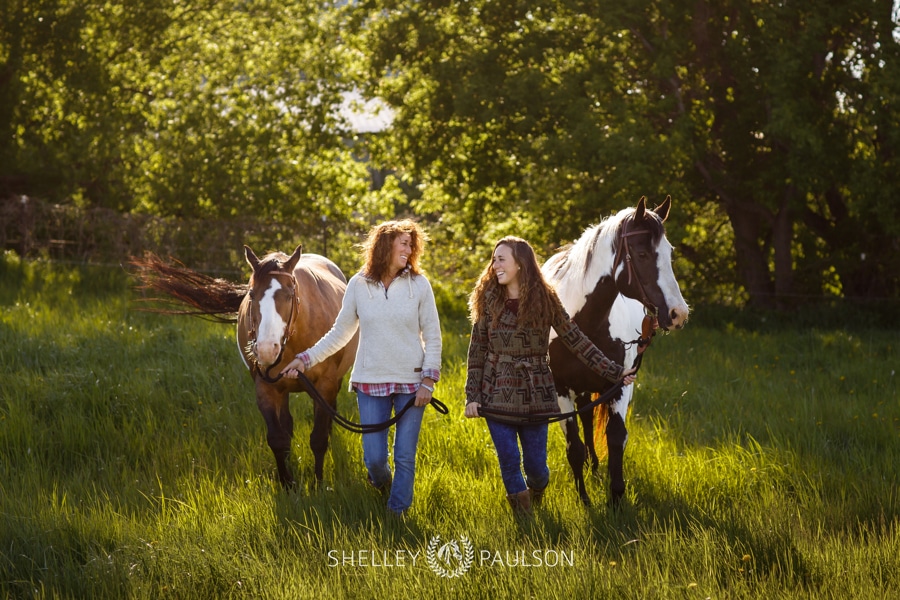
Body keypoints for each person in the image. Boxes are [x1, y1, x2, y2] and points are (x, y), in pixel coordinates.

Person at [464, 236, 636, 515]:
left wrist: (615, 371)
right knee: (508, 459)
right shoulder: (488, 299)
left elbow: (576, 340)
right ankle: (524, 519)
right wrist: (472, 396)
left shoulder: (546, 300)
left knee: (537, 470)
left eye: (501, 259)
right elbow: (477, 351)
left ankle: (537, 489)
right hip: (496, 390)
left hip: (537, 394)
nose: (494, 265)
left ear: (520, 264)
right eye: (493, 259)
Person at [280, 219, 442, 517]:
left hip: (412, 382)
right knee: (375, 459)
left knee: (405, 455)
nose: (410, 249)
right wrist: (305, 359)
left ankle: (397, 511)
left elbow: (433, 335)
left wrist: (429, 381)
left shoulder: (420, 286)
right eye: (403, 243)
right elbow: (339, 333)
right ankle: (383, 484)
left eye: (411, 244)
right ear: (384, 245)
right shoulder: (357, 284)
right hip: (371, 382)